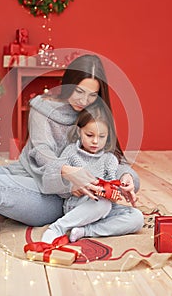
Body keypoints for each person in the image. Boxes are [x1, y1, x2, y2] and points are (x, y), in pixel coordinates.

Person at [0, 54, 143, 244]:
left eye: (92, 95)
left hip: (55, 198)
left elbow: (113, 157)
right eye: (79, 91)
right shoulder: (43, 108)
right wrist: (66, 171)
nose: (84, 101)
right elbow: (41, 152)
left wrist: (127, 176)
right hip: (27, 175)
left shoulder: (98, 116)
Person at [41, 101, 125, 243]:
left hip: (102, 206)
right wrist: (71, 188)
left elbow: (112, 184)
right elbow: (55, 178)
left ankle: (84, 231)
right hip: (76, 204)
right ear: (80, 131)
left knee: (136, 218)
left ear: (108, 135)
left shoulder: (109, 159)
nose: (95, 142)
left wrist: (115, 192)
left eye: (102, 136)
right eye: (90, 135)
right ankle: (57, 228)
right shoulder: (71, 152)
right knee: (103, 205)